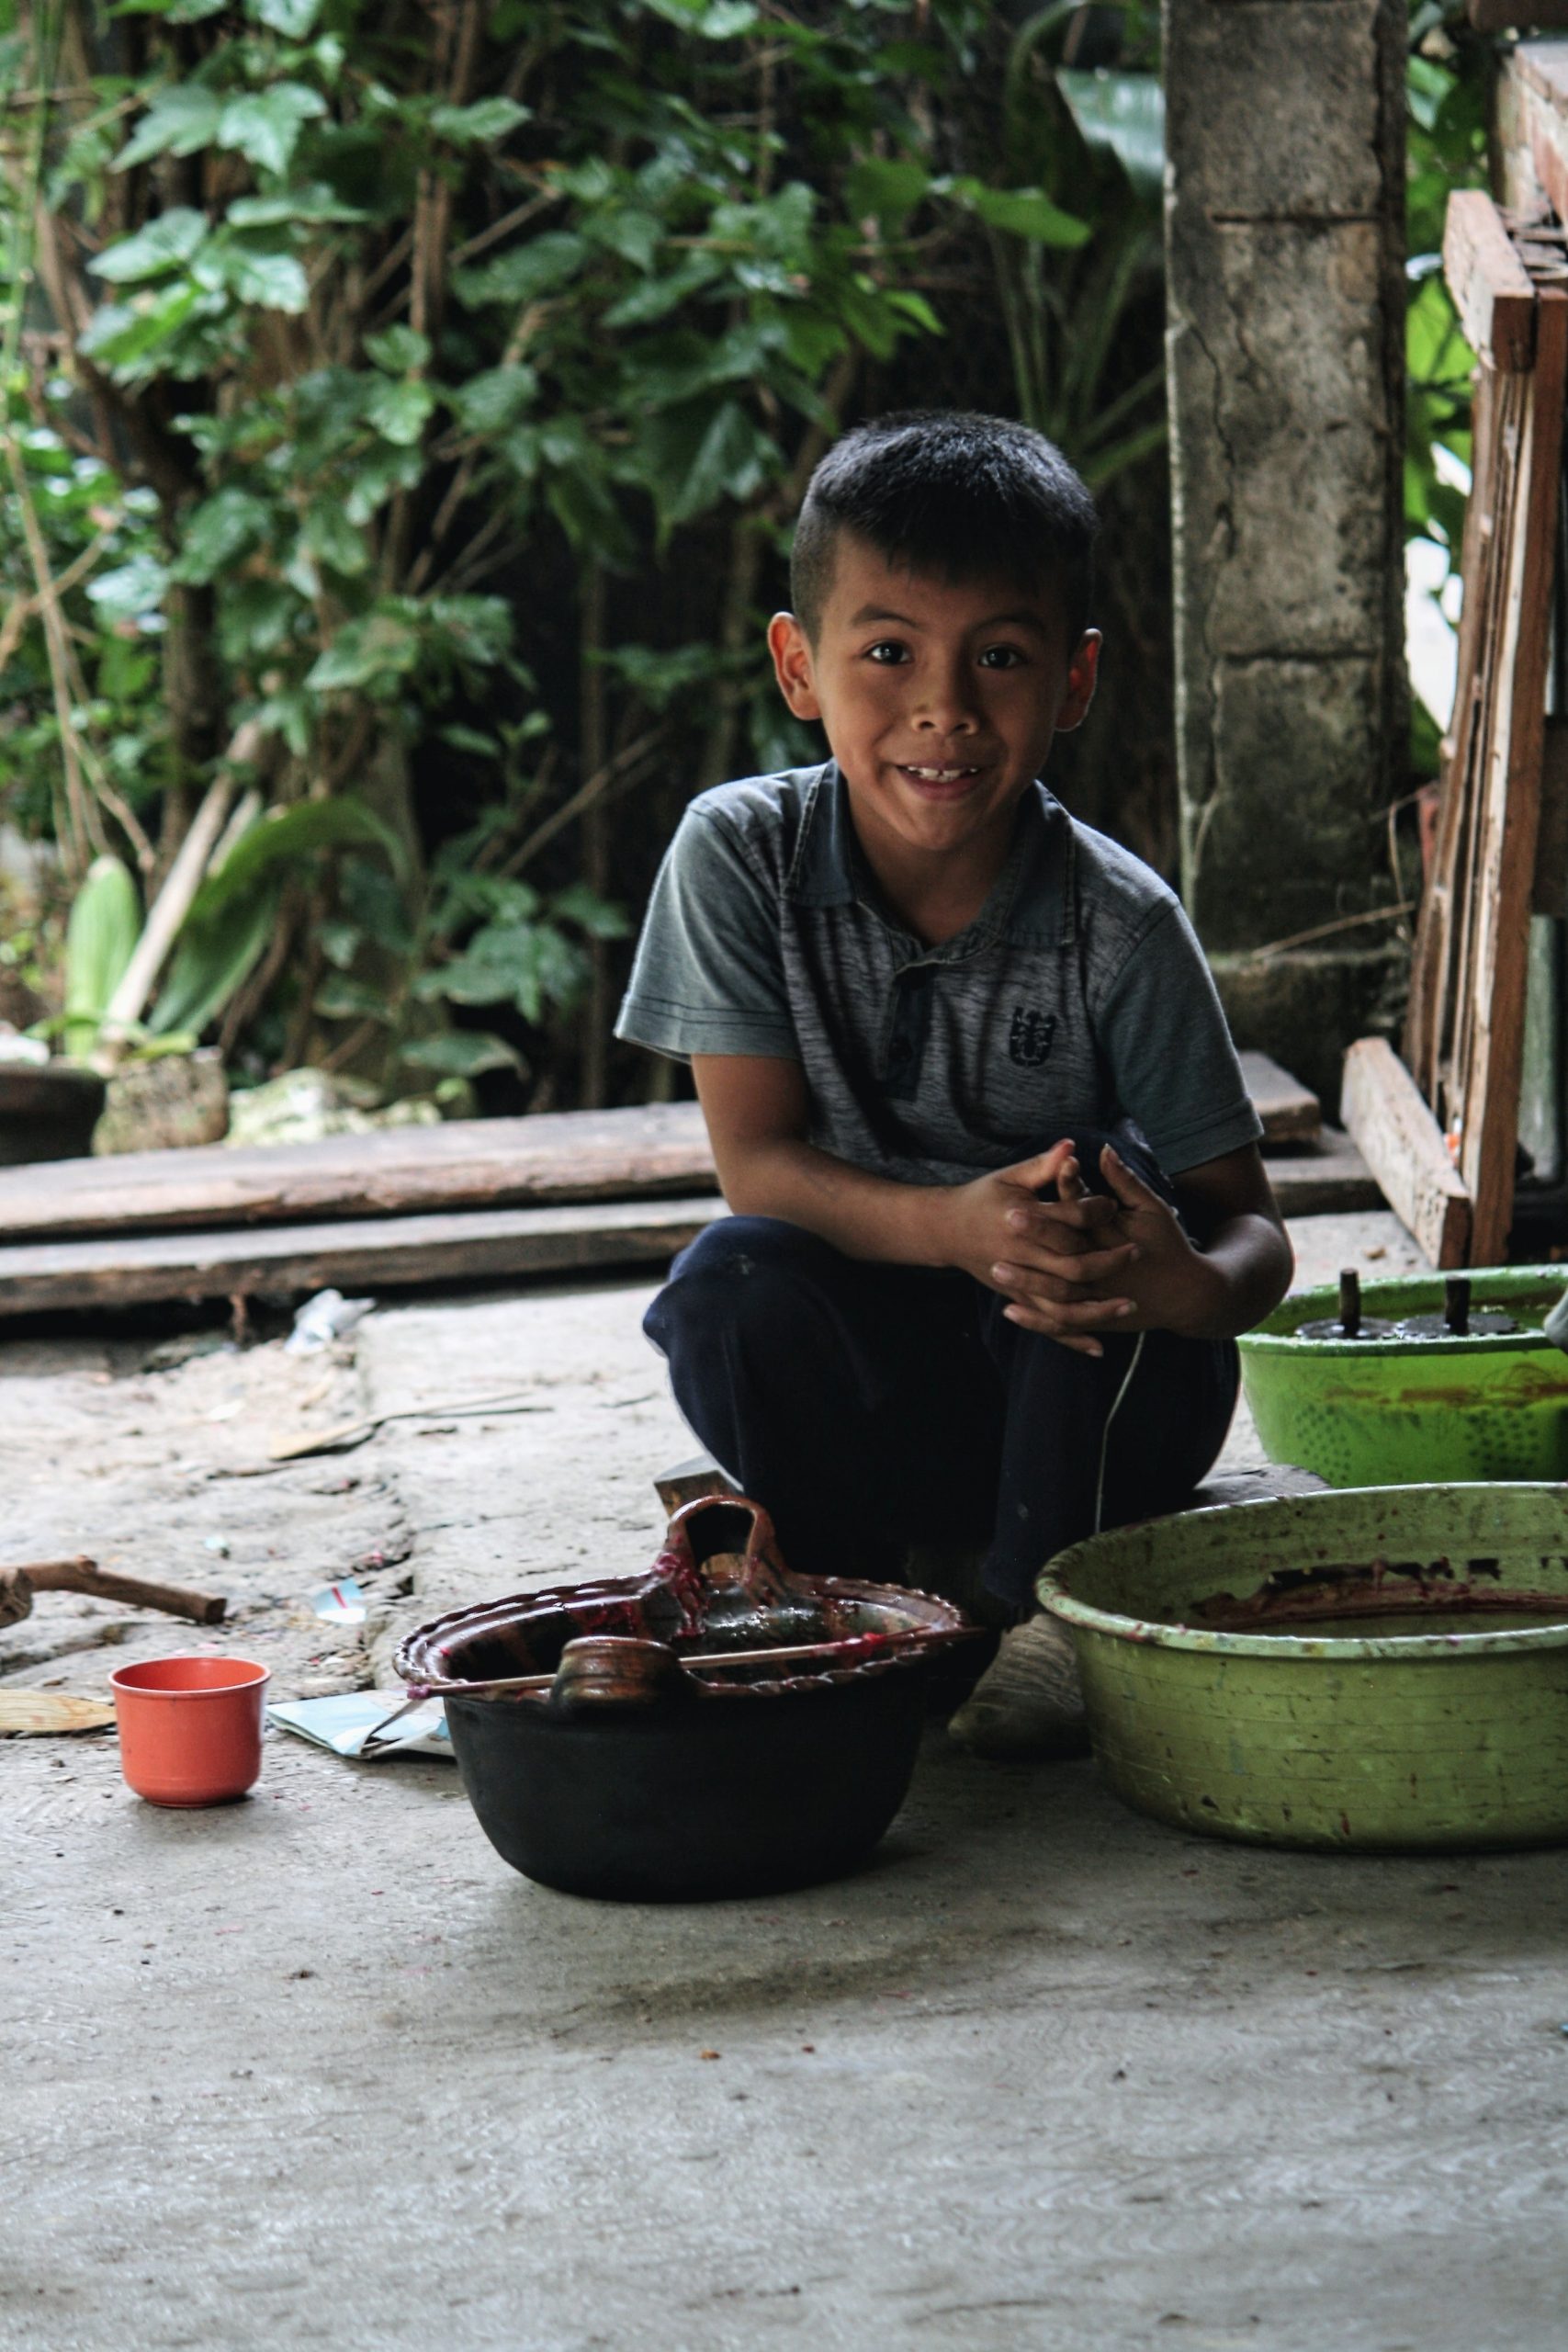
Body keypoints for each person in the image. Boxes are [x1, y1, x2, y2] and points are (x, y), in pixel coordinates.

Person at [614, 410, 1294, 1756]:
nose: (945, 708)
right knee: (728, 1281)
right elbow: (760, 1166)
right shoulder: (738, 856)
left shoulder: (1122, 921)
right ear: (798, 667)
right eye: (887, 654)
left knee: (1094, 1210)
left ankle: (1043, 1616)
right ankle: (862, 1591)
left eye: (1000, 657)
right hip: (882, 1381)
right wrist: (955, 1228)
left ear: (1075, 681)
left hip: (1099, 1401)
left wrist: (1181, 1284)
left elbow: (1255, 1233)